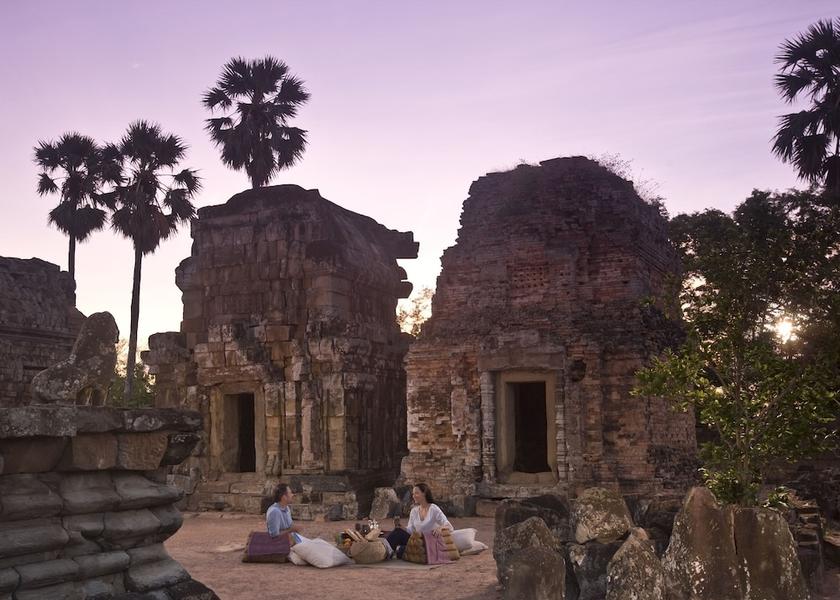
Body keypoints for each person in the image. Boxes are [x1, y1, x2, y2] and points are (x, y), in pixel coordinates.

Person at [386, 483, 453, 557]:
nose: (413, 496)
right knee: (397, 532)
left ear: (424, 494)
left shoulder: (433, 509)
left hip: (428, 543)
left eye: (416, 493)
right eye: (413, 494)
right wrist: (400, 526)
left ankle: (399, 551)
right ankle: (384, 552)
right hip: (416, 540)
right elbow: (410, 530)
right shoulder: (414, 511)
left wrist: (440, 528)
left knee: (401, 551)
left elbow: (449, 526)